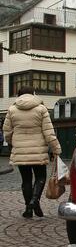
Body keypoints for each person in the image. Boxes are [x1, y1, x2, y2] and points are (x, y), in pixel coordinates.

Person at [2, 86, 62, 218]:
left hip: (20, 150)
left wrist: (14, 141)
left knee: (26, 180)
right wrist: (56, 148)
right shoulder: (41, 109)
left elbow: (6, 132)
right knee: (41, 177)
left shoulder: (12, 110)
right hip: (38, 150)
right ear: (33, 94)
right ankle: (34, 201)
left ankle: (29, 208)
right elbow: (49, 133)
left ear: (19, 95)